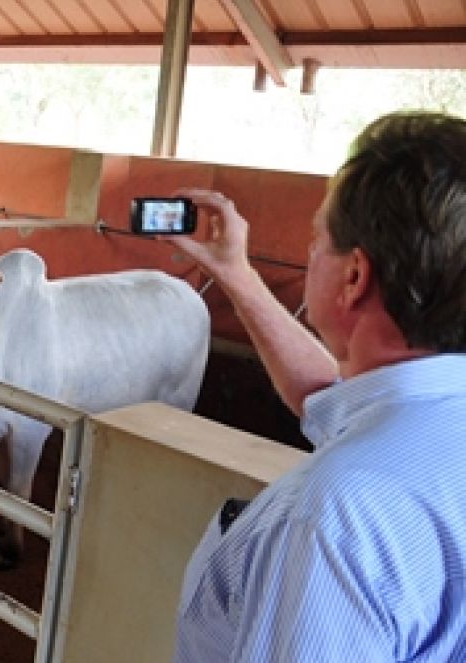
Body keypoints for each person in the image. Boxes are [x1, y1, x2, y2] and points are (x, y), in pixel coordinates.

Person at [170, 111, 466, 661]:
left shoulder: (332, 517)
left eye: (317, 240)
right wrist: (235, 272)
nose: (309, 253)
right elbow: (331, 399)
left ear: (354, 276)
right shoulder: (433, 413)